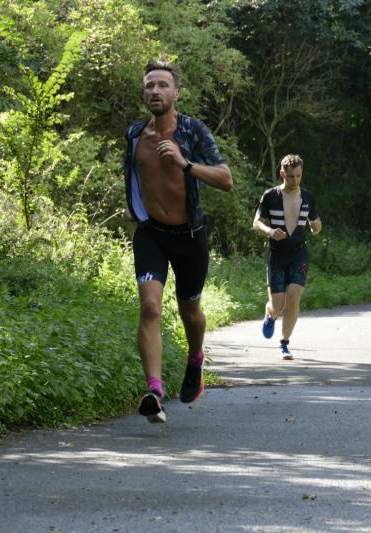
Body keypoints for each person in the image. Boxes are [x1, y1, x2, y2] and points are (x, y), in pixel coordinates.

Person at [123, 60, 233, 423]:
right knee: (150, 307)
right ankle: (154, 391)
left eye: (162, 85)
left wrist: (185, 164)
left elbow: (226, 179)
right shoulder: (134, 135)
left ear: (176, 93)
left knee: (190, 310)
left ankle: (195, 358)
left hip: (189, 236)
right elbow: (135, 176)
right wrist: (135, 208)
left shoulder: (192, 131)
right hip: (151, 234)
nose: (155, 91)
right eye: (149, 85)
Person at [252, 154, 322, 360]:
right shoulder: (270, 196)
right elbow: (256, 222)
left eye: (298, 176)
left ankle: (284, 344)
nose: (295, 180)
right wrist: (270, 231)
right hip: (277, 255)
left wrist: (316, 227)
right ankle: (270, 313)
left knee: (293, 298)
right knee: (278, 304)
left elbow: (316, 224)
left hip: (299, 254)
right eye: (291, 176)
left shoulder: (308, 197)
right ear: (282, 173)